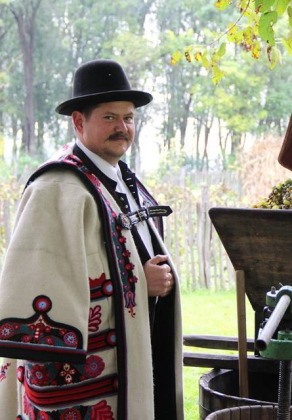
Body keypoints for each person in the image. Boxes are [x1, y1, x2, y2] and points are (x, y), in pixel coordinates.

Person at [0, 60, 184, 419]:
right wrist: (137, 284)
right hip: (88, 388)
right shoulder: (57, 187)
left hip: (138, 359)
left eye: (128, 118)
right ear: (79, 122)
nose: (122, 128)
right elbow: (45, 289)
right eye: (109, 117)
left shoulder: (121, 181)